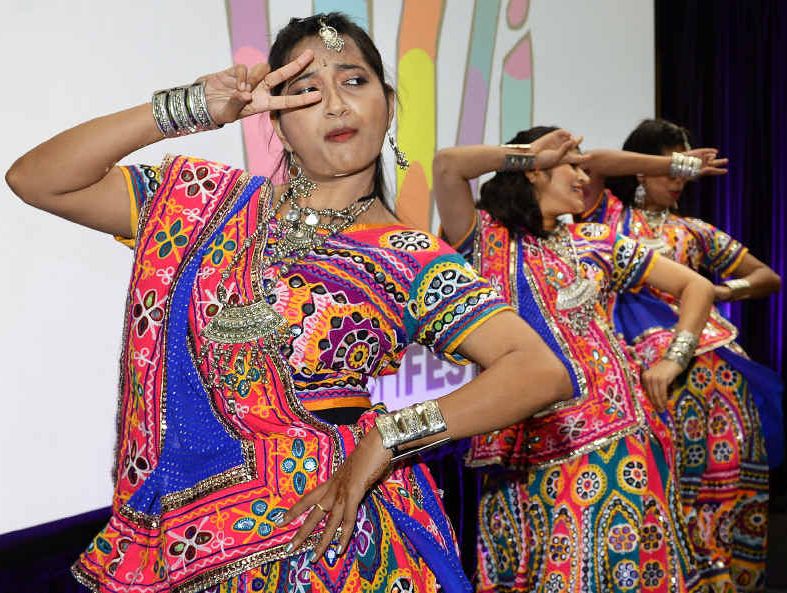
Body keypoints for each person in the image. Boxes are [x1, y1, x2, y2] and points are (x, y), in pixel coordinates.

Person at [5, 13, 576, 593]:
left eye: (354, 81)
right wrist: (193, 106)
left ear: (389, 104)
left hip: (332, 548)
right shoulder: (205, 206)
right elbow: (39, 179)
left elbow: (538, 370)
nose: (334, 105)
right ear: (274, 118)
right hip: (183, 547)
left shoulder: (410, 255)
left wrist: (390, 436)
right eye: (305, 90)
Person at [417, 126, 724, 593]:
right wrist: (524, 155)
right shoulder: (484, 238)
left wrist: (673, 360)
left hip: (612, 436)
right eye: (573, 166)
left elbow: (696, 286)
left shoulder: (597, 241)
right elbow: (447, 165)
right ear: (534, 173)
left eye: (584, 166)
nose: (585, 177)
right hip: (517, 455)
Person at [582, 118, 782, 593]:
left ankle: (725, 576)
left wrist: (717, 290)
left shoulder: (693, 232)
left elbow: (767, 277)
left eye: (683, 171)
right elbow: (595, 163)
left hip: (709, 363)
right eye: (671, 168)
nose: (679, 180)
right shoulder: (604, 218)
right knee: (663, 477)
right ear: (640, 171)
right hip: (635, 370)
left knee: (727, 467)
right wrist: (675, 161)